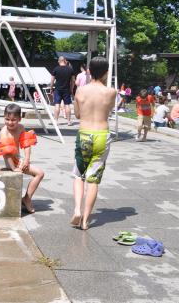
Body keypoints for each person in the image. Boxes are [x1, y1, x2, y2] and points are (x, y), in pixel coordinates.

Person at [71, 56, 116, 230]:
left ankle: (77, 209)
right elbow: (108, 110)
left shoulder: (80, 91)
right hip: (102, 136)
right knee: (93, 179)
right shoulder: (111, 92)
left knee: (78, 175)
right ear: (106, 73)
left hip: (84, 134)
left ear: (89, 71)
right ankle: (86, 220)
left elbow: (77, 114)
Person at [0, 103, 45, 214]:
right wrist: (13, 168)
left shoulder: (21, 128)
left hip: (18, 159)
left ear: (19, 119)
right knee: (39, 173)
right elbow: (6, 154)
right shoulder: (4, 133)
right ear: (4, 118)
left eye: (13, 120)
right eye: (7, 119)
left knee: (40, 174)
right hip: (11, 161)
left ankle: (26, 198)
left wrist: (27, 159)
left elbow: (26, 144)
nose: (10, 122)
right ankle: (27, 200)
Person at [50, 56, 75, 125]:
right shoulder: (70, 69)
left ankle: (56, 121)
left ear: (59, 61)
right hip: (66, 89)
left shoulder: (56, 69)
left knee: (57, 104)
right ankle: (69, 121)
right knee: (67, 105)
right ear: (65, 60)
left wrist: (51, 88)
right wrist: (71, 89)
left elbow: (52, 80)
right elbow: (73, 80)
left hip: (58, 89)